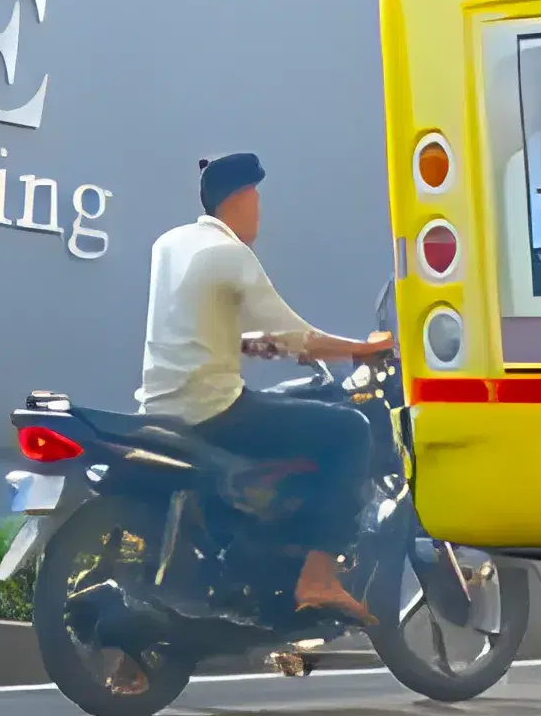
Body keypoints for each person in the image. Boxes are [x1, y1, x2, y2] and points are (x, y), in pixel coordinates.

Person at [136, 152, 392, 625]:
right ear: (243, 196)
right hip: (213, 411)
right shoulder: (231, 254)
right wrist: (363, 349)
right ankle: (319, 576)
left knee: (286, 408)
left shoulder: (169, 244)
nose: (260, 210)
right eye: (257, 198)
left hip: (158, 408)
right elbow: (300, 336)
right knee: (350, 430)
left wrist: (276, 348)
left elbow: (224, 334)